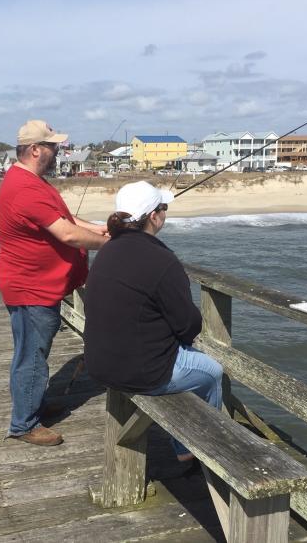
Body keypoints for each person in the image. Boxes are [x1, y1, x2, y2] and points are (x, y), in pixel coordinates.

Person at [83, 181, 223, 464]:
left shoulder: (106, 251)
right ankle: (203, 449)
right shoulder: (162, 259)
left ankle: (185, 443)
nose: (165, 213)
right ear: (154, 217)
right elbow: (189, 324)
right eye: (164, 207)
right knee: (213, 372)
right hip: (142, 373)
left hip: (99, 366)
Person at [0, 120, 109, 446]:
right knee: (31, 356)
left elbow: (65, 219)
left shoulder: (31, 181)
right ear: (35, 150)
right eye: (53, 147)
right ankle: (24, 424)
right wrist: (110, 244)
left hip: (36, 284)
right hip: (31, 288)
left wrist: (101, 229)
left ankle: (35, 404)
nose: (58, 152)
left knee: (34, 352)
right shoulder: (25, 188)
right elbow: (69, 234)